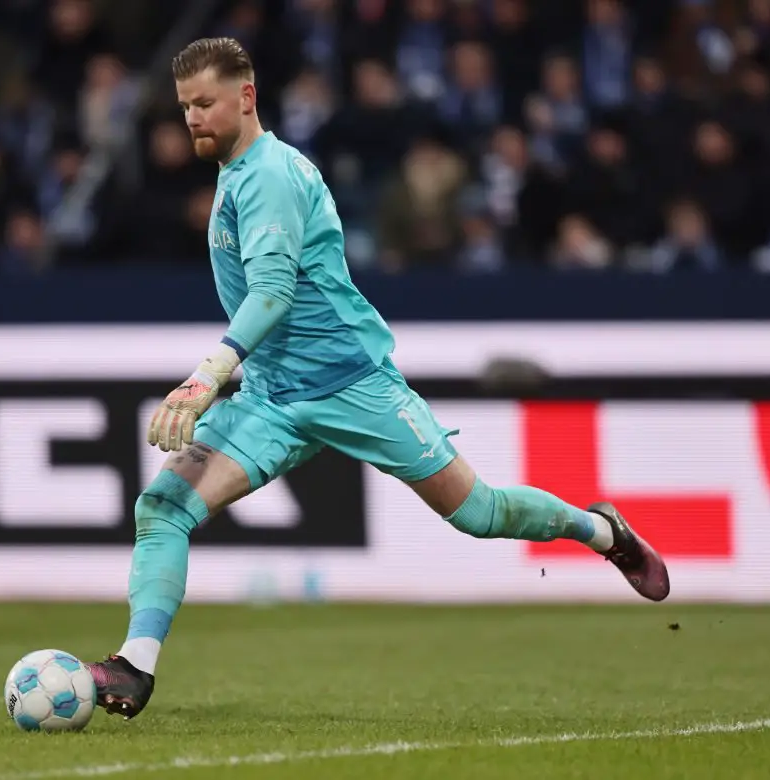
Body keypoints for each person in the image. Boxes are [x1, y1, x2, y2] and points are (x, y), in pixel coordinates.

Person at [87, 37, 670, 720]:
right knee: (163, 509)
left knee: (479, 513)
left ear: (246, 97)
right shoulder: (236, 173)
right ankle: (134, 668)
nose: (192, 119)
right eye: (186, 106)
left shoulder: (271, 174)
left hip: (352, 386)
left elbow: (271, 293)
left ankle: (603, 532)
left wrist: (207, 375)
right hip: (275, 396)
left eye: (205, 104)